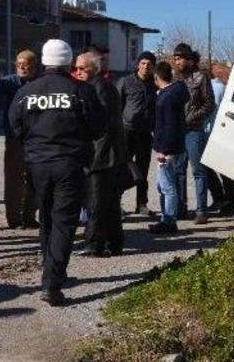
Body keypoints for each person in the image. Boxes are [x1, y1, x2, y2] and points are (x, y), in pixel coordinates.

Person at [9, 39, 105, 306]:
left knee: (48, 218)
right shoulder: (80, 90)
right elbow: (98, 127)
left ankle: (48, 268)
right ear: (68, 61)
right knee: (64, 221)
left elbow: (15, 126)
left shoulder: (27, 92)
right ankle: (52, 282)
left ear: (44, 60)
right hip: (70, 163)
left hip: (38, 163)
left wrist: (34, 144)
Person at [74, 52, 127, 257]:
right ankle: (115, 243)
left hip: (103, 156)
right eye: (76, 68)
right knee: (110, 203)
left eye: (82, 69)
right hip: (107, 155)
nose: (77, 72)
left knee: (96, 202)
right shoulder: (98, 87)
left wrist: (93, 157)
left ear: (94, 69)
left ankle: (94, 243)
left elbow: (102, 125)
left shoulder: (99, 88)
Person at [172, 43, 215, 225]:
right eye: (175, 59)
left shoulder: (201, 77)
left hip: (194, 130)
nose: (177, 62)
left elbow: (209, 103)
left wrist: (191, 118)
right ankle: (181, 209)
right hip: (178, 130)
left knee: (199, 171)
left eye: (179, 58)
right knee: (178, 171)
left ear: (189, 59)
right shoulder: (176, 79)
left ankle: (201, 211)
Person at [0, 50, 39, 229]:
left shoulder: (41, 83)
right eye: (18, 63)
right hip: (15, 138)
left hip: (36, 138)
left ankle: (29, 216)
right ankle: (13, 218)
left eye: (25, 63)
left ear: (34, 65)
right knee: (14, 178)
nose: (21, 67)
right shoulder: (8, 82)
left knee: (35, 178)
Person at [150, 61, 189, 234]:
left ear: (157, 77)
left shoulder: (166, 98)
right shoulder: (178, 92)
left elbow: (168, 125)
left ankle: (169, 220)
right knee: (164, 185)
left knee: (167, 186)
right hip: (178, 145)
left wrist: (162, 150)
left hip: (168, 149)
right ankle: (167, 218)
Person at [116, 51, 157, 215]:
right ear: (138, 65)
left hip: (145, 132)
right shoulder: (125, 82)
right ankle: (116, 203)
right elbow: (117, 105)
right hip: (127, 131)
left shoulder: (154, 84)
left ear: (153, 67)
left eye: (149, 64)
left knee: (143, 168)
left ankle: (141, 204)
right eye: (143, 63)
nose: (146, 66)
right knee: (122, 168)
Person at [204, 73, 234, 216]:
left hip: (212, 132)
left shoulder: (214, 88)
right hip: (221, 132)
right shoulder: (221, 87)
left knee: (211, 168)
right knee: (222, 169)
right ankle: (227, 200)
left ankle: (224, 199)